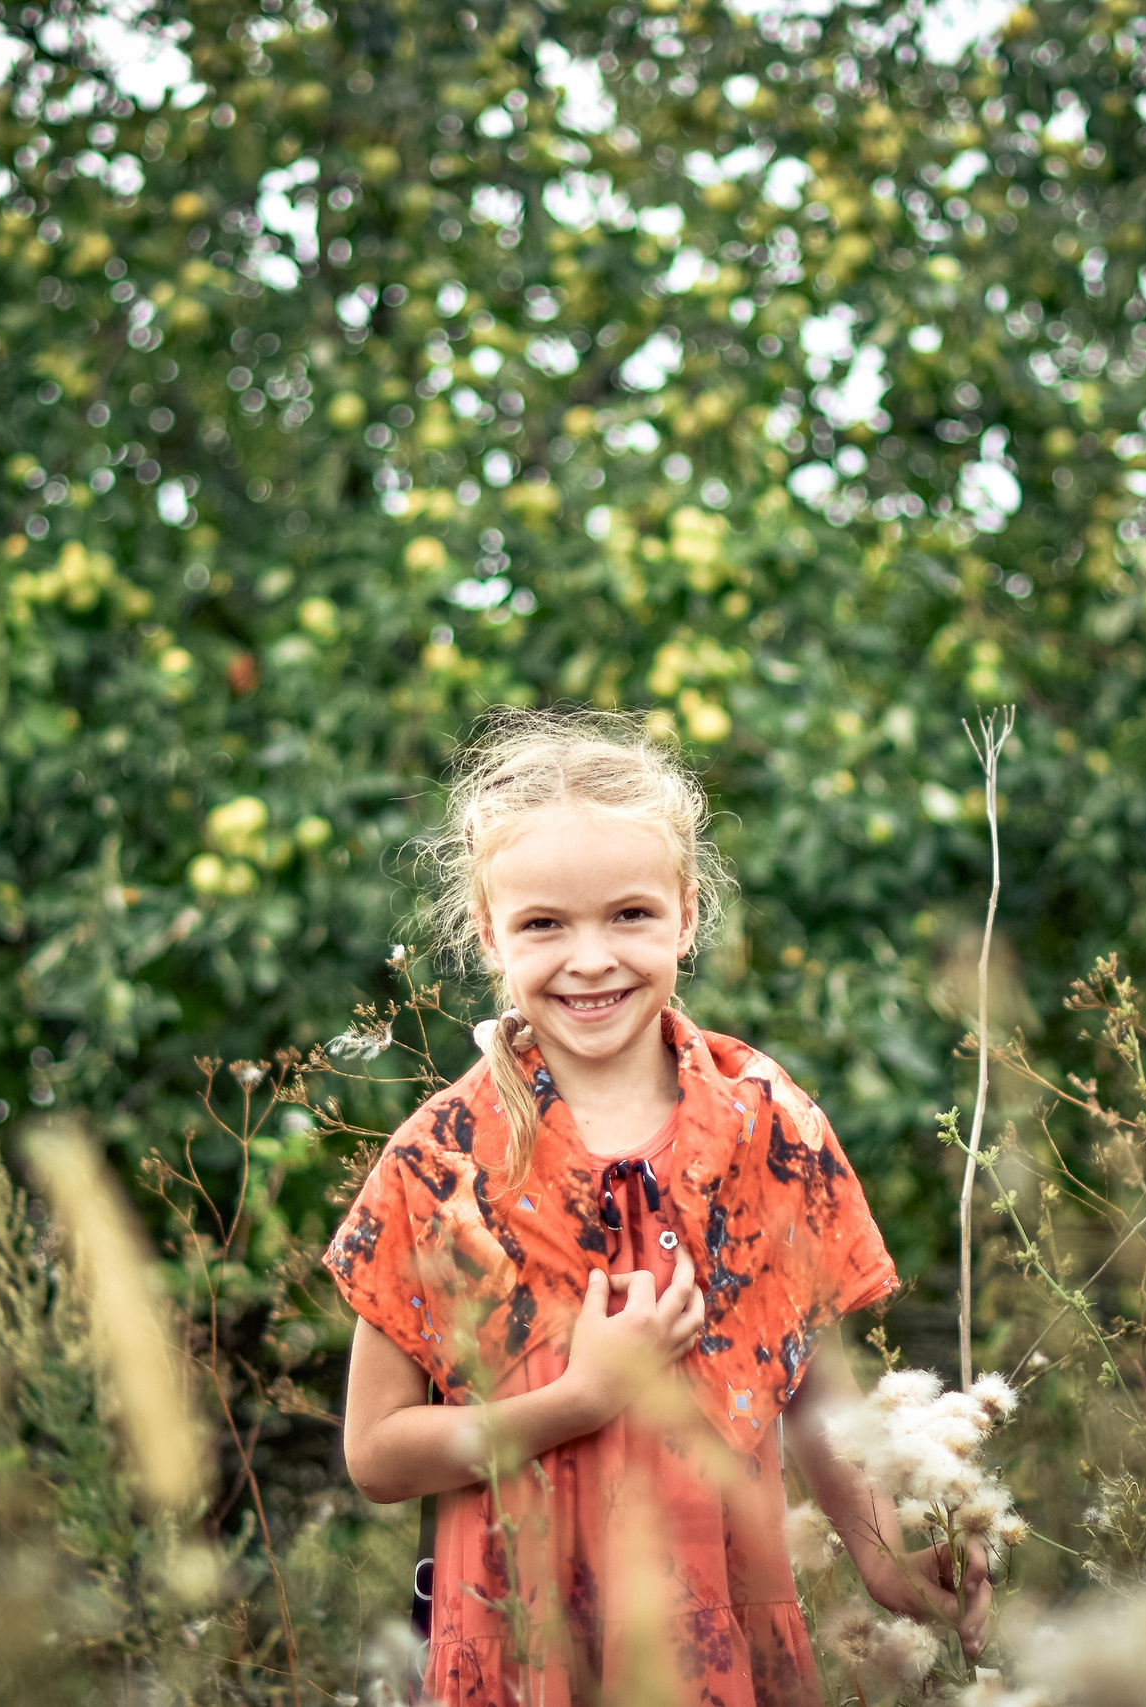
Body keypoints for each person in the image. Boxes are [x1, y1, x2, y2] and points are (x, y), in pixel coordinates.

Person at [327, 710, 991, 1707]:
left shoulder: (766, 1123)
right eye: (544, 925)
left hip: (719, 1641)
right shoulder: (441, 1163)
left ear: (686, 913)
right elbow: (377, 1455)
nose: (591, 960)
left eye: (629, 915)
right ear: (487, 933)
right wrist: (575, 1403)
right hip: (523, 1647)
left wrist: (885, 1561)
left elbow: (808, 1384)